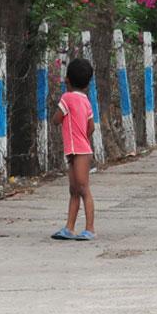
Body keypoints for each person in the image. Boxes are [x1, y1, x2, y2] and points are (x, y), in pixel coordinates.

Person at [51, 58, 96, 240]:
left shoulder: (67, 98)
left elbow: (56, 119)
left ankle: (90, 228)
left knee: (82, 188)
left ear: (67, 80)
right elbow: (91, 126)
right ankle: (69, 227)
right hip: (79, 149)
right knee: (75, 189)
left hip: (78, 151)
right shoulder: (85, 100)